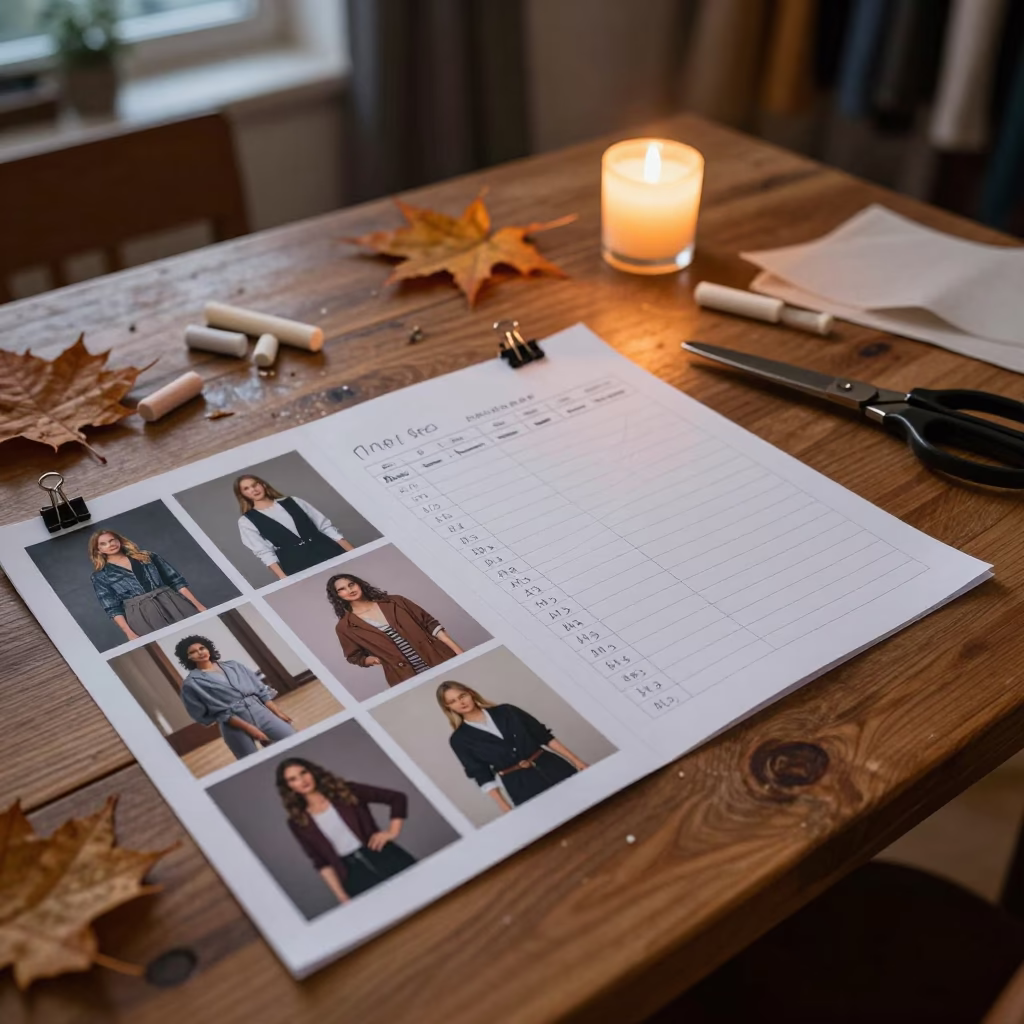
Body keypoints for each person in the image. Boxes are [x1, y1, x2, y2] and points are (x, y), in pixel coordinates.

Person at [277, 757, 415, 904]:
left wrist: (392, 832)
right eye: (293, 779)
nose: (302, 780)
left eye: (303, 773)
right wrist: (341, 896)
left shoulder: (346, 791)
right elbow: (321, 862)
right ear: (288, 786)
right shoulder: (297, 822)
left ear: (312, 772)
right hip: (352, 875)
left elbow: (397, 798)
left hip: (385, 855)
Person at [437, 681, 588, 813]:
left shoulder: (507, 711)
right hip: (519, 785)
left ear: (471, 693)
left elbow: (544, 737)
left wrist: (577, 761)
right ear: (448, 707)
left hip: (553, 767)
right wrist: (505, 806)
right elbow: (481, 774)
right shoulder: (459, 740)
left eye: (462, 696)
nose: (461, 702)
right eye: (453, 701)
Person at [327, 573, 464, 687]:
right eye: (342, 589)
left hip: (439, 658)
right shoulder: (345, 627)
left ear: (359, 584)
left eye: (351, 584)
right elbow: (354, 656)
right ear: (337, 595)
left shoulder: (396, 601)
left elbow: (431, 625)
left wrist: (459, 652)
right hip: (403, 677)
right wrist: (374, 660)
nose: (350, 590)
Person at [174, 635, 296, 760]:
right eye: (193, 652)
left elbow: (260, 690)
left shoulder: (234, 665)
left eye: (202, 648)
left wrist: (278, 713)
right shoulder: (192, 683)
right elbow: (214, 713)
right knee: (252, 763)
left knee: (294, 740)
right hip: (234, 726)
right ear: (187, 657)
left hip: (261, 713)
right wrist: (250, 728)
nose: (200, 653)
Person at [89, 529, 205, 641]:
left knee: (198, 633)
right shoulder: (100, 576)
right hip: (139, 613)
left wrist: (199, 606)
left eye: (112, 540)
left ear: (119, 540)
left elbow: (176, 581)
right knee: (166, 643)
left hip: (171, 600)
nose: (110, 545)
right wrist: (129, 632)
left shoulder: (148, 557)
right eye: (103, 544)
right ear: (98, 550)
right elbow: (112, 608)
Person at [235, 474, 354, 580]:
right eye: (246, 489)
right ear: (242, 495)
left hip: (328, 550)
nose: (253, 490)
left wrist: (352, 552)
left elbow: (326, 527)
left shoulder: (294, 501)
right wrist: (283, 578)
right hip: (296, 564)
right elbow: (264, 552)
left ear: (263, 485)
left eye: (255, 485)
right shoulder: (246, 521)